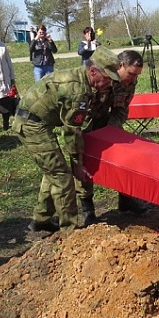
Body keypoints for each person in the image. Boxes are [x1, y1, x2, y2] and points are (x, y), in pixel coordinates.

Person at [13, 46, 120, 233]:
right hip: (32, 125)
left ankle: (41, 219)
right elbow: (72, 132)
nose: (109, 84)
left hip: (37, 121)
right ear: (93, 71)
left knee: (54, 169)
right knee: (62, 177)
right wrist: (78, 164)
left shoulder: (81, 80)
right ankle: (69, 232)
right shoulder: (77, 91)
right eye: (107, 78)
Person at [77, 49, 145, 227]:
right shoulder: (101, 73)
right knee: (85, 160)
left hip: (110, 121)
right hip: (87, 121)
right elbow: (82, 111)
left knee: (125, 157)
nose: (132, 79)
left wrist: (112, 132)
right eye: (130, 73)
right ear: (120, 66)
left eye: (136, 75)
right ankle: (87, 209)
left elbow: (122, 108)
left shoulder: (130, 81)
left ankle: (126, 199)